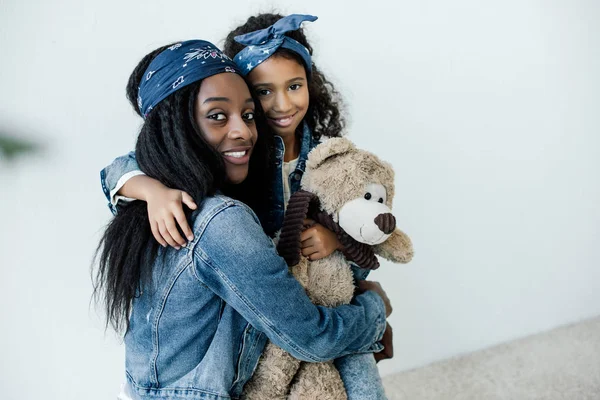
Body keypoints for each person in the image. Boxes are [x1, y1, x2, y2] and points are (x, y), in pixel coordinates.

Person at [101, 14, 393, 398]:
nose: (280, 105)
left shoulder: (327, 155)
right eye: (263, 94)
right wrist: (150, 190)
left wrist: (338, 243)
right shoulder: (221, 199)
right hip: (271, 314)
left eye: (247, 115)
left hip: (302, 294)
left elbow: (364, 225)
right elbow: (119, 168)